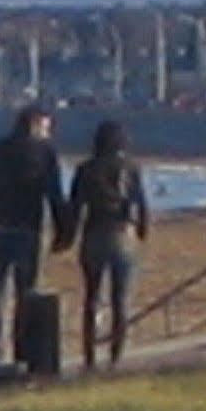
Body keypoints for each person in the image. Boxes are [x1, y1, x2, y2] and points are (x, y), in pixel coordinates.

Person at [0, 105, 69, 364]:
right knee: (27, 295)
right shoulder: (45, 152)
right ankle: (22, 353)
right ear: (36, 124)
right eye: (47, 127)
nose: (49, 133)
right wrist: (63, 232)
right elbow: (54, 194)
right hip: (29, 229)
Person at [66, 120, 148, 368]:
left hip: (95, 231)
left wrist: (67, 236)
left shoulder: (85, 169)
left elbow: (76, 206)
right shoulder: (131, 168)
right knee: (121, 298)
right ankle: (116, 355)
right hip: (123, 232)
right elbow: (140, 203)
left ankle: (90, 355)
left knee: (93, 296)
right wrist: (141, 230)